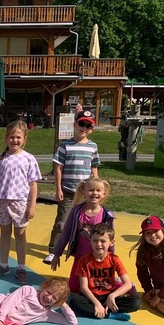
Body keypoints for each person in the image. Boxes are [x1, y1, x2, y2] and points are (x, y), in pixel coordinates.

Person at [0, 120, 41, 285]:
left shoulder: (28, 159)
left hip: (20, 203)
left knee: (20, 235)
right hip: (3, 202)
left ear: (24, 138)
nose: (14, 140)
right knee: (4, 234)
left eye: (18, 137)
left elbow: (33, 184)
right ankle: (4, 264)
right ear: (6, 138)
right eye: (11, 137)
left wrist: (32, 206)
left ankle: (21, 267)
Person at [44, 110, 100, 264]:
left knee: (85, 223)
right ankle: (53, 250)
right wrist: (58, 188)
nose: (84, 127)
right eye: (82, 124)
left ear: (91, 130)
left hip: (86, 193)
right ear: (75, 125)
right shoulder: (65, 145)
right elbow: (58, 167)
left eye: (88, 126)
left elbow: (94, 167)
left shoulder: (93, 146)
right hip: (68, 191)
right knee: (62, 222)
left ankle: (84, 249)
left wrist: (96, 187)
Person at [49, 177, 115, 292]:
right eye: (91, 190)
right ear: (83, 192)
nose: (94, 193)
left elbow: (110, 238)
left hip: (97, 258)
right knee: (74, 288)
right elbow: (66, 233)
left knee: (97, 287)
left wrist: (111, 258)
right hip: (80, 257)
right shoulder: (76, 212)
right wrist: (57, 254)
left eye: (98, 190)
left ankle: (122, 285)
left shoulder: (106, 215)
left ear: (103, 194)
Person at [69, 223, 142, 321]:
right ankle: (110, 314)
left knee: (136, 302)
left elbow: (128, 284)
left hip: (108, 294)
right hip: (91, 296)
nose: (98, 244)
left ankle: (101, 311)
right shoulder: (84, 260)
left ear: (111, 242)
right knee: (74, 303)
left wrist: (112, 296)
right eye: (95, 240)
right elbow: (84, 287)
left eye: (103, 241)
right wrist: (96, 303)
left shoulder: (114, 259)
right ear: (90, 241)